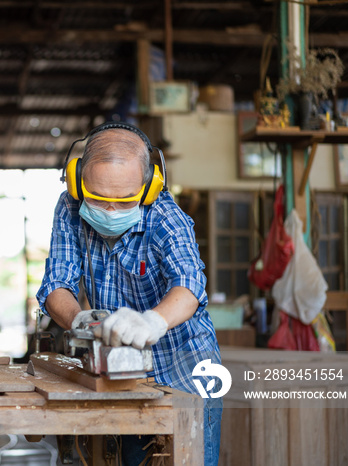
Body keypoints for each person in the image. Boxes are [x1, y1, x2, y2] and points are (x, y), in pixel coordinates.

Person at [36, 121, 222, 466]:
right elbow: (56, 284)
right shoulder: (70, 207)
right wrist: (81, 320)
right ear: (78, 181)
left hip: (184, 369)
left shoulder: (166, 216)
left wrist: (153, 321)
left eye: (124, 202)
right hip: (119, 373)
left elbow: (189, 284)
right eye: (98, 198)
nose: (109, 211)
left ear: (149, 188)